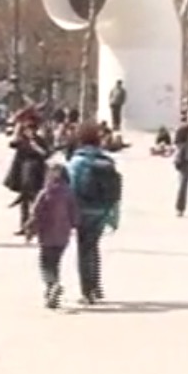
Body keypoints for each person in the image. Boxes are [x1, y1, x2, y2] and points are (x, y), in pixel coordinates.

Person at [66, 122, 122, 305]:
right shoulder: (107, 160)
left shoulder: (76, 161)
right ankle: (96, 286)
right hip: (102, 208)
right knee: (94, 247)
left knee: (83, 250)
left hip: (83, 209)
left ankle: (86, 290)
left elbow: (71, 189)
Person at [26, 162, 80, 309]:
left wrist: (30, 230)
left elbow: (35, 213)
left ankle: (51, 285)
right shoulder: (69, 192)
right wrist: (73, 225)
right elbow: (74, 214)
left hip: (46, 234)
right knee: (55, 262)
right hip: (63, 235)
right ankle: (53, 286)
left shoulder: (45, 192)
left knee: (45, 263)